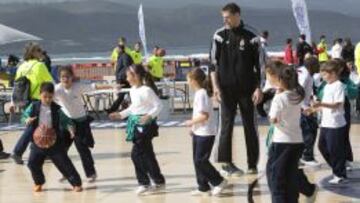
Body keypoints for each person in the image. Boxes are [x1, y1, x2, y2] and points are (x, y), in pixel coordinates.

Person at [210, 3, 262, 175]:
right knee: (225, 126)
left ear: (237, 15)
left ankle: (252, 163)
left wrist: (258, 88)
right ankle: (226, 163)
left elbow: (260, 64)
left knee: (250, 126)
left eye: (227, 17)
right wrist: (216, 87)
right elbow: (212, 65)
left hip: (247, 89)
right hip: (226, 90)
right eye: (223, 18)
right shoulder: (218, 35)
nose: (225, 21)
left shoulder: (252, 36)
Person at [109, 65, 165, 195]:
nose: (126, 78)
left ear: (136, 76)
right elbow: (134, 107)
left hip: (145, 126)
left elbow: (159, 105)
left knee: (136, 154)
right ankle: (158, 180)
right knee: (148, 154)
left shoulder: (146, 90)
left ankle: (144, 183)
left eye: (128, 76)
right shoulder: (133, 90)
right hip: (135, 124)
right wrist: (121, 114)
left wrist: (149, 116)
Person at [266, 61, 317, 203]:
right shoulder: (297, 94)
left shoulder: (279, 98)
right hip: (296, 141)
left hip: (282, 143)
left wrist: (274, 119)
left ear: (279, 79)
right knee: (290, 175)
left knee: (277, 179)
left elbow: (273, 119)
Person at [55, 66, 116, 183]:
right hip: (67, 122)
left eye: (68, 76)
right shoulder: (57, 89)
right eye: (63, 77)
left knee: (83, 149)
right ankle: (65, 172)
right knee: (61, 150)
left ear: (72, 77)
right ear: (59, 78)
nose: (65, 79)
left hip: (81, 122)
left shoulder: (78, 86)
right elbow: (44, 98)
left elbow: (95, 86)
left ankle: (91, 173)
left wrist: (112, 86)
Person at [24, 82, 82, 192]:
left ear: (53, 96)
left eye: (50, 97)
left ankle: (76, 183)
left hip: (54, 141)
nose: (47, 99)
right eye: (44, 96)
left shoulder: (57, 109)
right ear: (39, 94)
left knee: (64, 163)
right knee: (32, 163)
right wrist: (27, 120)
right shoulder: (34, 106)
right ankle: (39, 182)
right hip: (38, 141)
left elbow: (66, 121)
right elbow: (24, 115)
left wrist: (70, 128)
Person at [185, 68, 227, 196]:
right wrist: (193, 128)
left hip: (206, 132)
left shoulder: (202, 93)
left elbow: (204, 116)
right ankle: (203, 186)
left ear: (194, 80)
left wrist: (190, 122)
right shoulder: (200, 93)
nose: (187, 82)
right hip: (199, 131)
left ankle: (219, 181)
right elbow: (198, 113)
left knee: (201, 160)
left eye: (188, 80)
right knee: (196, 160)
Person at [10, 42, 53, 165]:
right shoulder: (40, 65)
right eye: (39, 50)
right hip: (36, 100)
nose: (41, 52)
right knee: (34, 127)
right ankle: (17, 151)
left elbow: (16, 86)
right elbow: (49, 82)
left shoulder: (21, 66)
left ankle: (39, 152)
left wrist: (13, 102)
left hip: (23, 100)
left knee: (36, 126)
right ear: (33, 52)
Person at [312, 60, 347, 184]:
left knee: (334, 149)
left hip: (336, 124)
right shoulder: (327, 86)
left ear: (333, 73)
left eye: (325, 74)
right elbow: (327, 105)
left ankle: (339, 174)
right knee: (322, 147)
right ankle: (338, 169)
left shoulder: (338, 85)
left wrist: (321, 103)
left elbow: (337, 104)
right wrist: (314, 109)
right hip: (326, 123)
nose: (323, 77)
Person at [298, 57, 321, 166]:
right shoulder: (305, 75)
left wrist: (312, 98)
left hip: (304, 106)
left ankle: (302, 156)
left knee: (307, 131)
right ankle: (307, 157)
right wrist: (304, 108)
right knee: (309, 132)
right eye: (317, 64)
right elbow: (298, 91)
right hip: (302, 108)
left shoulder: (305, 72)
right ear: (312, 66)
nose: (319, 67)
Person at [106, 45, 134, 114]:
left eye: (117, 49)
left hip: (124, 79)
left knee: (128, 95)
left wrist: (120, 77)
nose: (116, 50)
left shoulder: (124, 56)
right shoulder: (121, 56)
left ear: (121, 49)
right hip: (123, 79)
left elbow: (126, 66)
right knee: (122, 96)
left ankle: (113, 110)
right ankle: (112, 110)